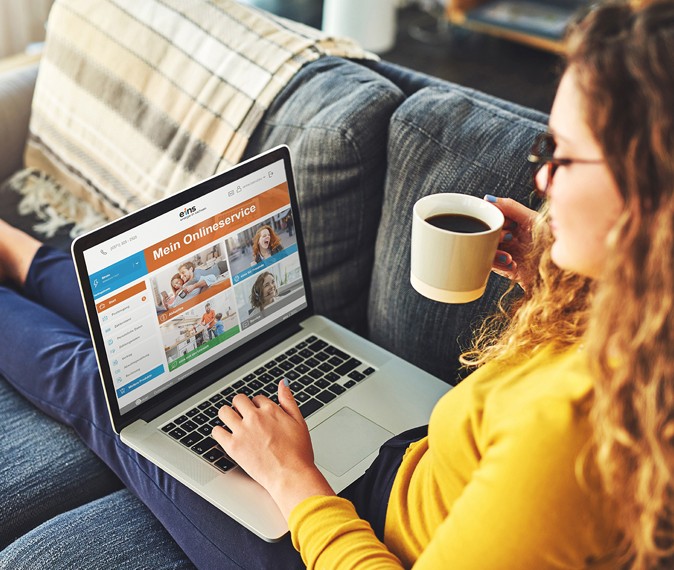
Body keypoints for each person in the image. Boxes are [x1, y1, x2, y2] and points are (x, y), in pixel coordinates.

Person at [0, 1, 672, 567]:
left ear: (654, 198)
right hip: (402, 475)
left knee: (107, 392)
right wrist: (550, 275)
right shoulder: (634, 308)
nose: (544, 179)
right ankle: (19, 249)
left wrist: (295, 480)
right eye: (542, 149)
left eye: (565, 156)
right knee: (144, 341)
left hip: (334, 539)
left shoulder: (576, 437)